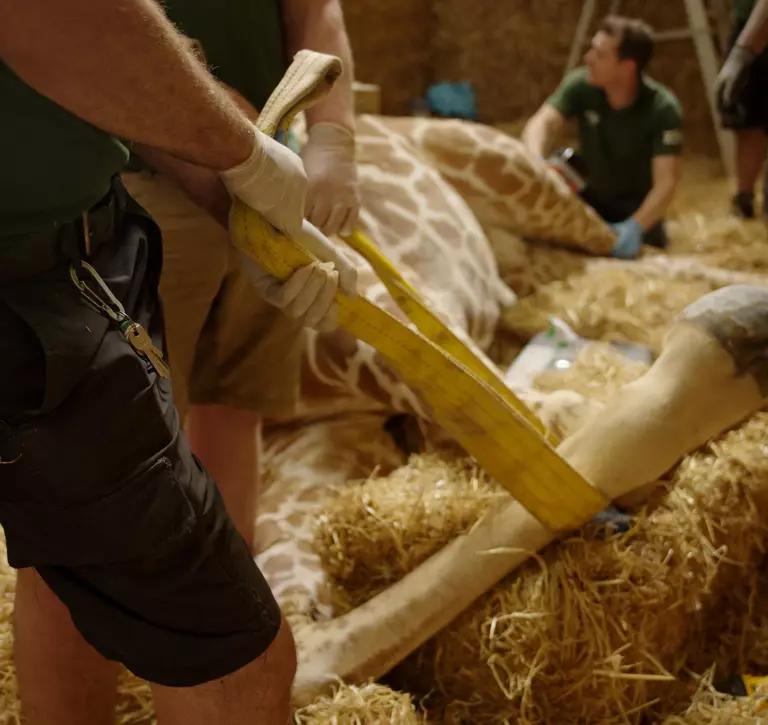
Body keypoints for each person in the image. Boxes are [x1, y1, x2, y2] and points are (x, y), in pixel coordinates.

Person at [0, 1, 357, 723]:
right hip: (42, 276)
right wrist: (243, 158)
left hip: (108, 229)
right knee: (240, 665)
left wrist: (249, 188)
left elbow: (121, 61)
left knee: (160, 544)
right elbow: (72, 25)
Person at [122, 0, 361, 553]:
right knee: (137, 430)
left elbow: (316, 6)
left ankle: (231, 585)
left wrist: (334, 135)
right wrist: (242, 151)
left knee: (236, 398)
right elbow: (110, 41)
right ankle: (149, 605)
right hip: (149, 178)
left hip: (275, 172)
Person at [522, 15, 684, 259]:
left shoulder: (662, 109)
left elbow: (666, 183)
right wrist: (535, 162)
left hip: (635, 208)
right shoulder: (581, 85)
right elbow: (541, 123)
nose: (588, 58)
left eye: (600, 54)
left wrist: (635, 227)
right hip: (588, 198)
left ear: (628, 67)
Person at [715, 0, 768, 219]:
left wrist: (742, 54)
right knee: (745, 116)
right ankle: (744, 200)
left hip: (756, 27)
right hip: (749, 22)